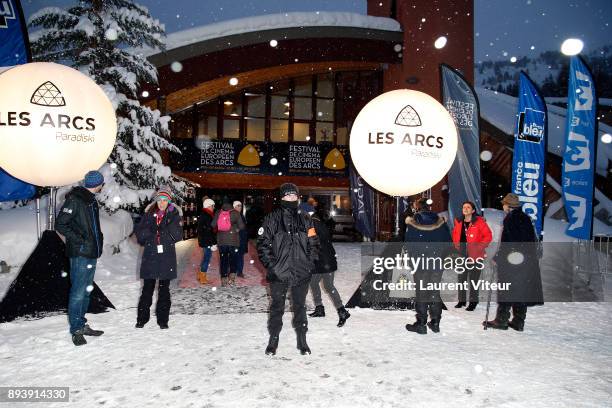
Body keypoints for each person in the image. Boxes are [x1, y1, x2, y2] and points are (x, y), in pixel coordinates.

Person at [258, 183, 320, 355]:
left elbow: (314, 244)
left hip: (302, 272)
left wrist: (309, 263)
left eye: (294, 195)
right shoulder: (272, 219)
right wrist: (273, 267)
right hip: (279, 274)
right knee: (277, 307)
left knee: (300, 306)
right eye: (288, 195)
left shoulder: (306, 218)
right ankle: (273, 340)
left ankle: (302, 340)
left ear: (298, 197)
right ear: (282, 198)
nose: (291, 198)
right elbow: (263, 246)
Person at [56, 170, 106, 346]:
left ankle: (81, 323)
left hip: (90, 252)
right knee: (78, 292)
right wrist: (81, 240)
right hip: (80, 253)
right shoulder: (76, 199)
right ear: (99, 184)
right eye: (101, 183)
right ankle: (76, 330)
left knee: (85, 291)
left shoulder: (90, 200)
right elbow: (60, 224)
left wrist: (95, 241)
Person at [484, 193, 543, 332]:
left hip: (513, 260)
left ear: (508, 206)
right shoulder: (526, 218)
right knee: (521, 289)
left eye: (504, 204)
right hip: (527, 260)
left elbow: (508, 243)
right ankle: (518, 321)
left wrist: (497, 257)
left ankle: (502, 320)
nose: (503, 206)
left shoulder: (510, 219)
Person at [134, 187, 183, 329]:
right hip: (150, 256)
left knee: (164, 289)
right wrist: (153, 233)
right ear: (156, 201)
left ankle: (163, 320)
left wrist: (161, 231)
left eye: (165, 200)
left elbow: (177, 235)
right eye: (160, 200)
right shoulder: (148, 214)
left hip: (166, 257)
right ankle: (141, 319)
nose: (162, 203)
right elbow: (140, 235)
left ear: (169, 201)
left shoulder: (174, 215)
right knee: (147, 289)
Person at [404, 198, 452, 335]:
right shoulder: (440, 222)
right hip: (437, 262)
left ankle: (421, 324)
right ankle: (435, 323)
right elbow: (448, 243)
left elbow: (409, 244)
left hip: (420, 263)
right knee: (434, 292)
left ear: (417, 208)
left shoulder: (413, 222)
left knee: (421, 292)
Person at [300, 203, 350, 327]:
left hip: (325, 261)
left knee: (328, 286)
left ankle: (342, 311)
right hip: (321, 261)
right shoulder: (314, 222)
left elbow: (312, 243)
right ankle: (319, 308)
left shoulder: (313, 224)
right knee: (313, 282)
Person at [451, 201, 493, 311]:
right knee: (462, 279)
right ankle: (462, 300)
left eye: (468, 207)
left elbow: (488, 236)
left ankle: (473, 302)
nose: (465, 209)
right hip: (462, 254)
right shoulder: (458, 221)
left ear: (473, 210)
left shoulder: (479, 222)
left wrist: (479, 247)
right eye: (464, 207)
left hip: (476, 255)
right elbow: (455, 235)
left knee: (474, 280)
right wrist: (456, 247)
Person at [212, 199, 245, 286]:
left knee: (223, 260)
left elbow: (213, 224)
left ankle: (224, 279)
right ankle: (232, 278)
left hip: (222, 241)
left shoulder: (218, 212)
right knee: (233, 259)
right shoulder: (235, 213)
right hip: (233, 241)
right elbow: (242, 226)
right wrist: (236, 229)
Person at [197, 198, 217, 285]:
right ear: (208, 206)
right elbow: (209, 231)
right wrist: (213, 242)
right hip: (207, 241)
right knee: (206, 259)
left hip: (205, 240)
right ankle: (202, 277)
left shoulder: (205, 214)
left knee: (205, 257)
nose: (213, 207)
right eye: (212, 206)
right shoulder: (207, 215)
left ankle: (200, 274)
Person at [233, 201, 248, 278]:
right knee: (234, 256)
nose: (240, 207)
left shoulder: (241, 215)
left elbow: (244, 227)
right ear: (234, 206)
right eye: (238, 206)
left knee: (240, 256)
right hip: (235, 240)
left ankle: (240, 272)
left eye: (241, 206)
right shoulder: (232, 215)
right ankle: (233, 271)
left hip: (242, 239)